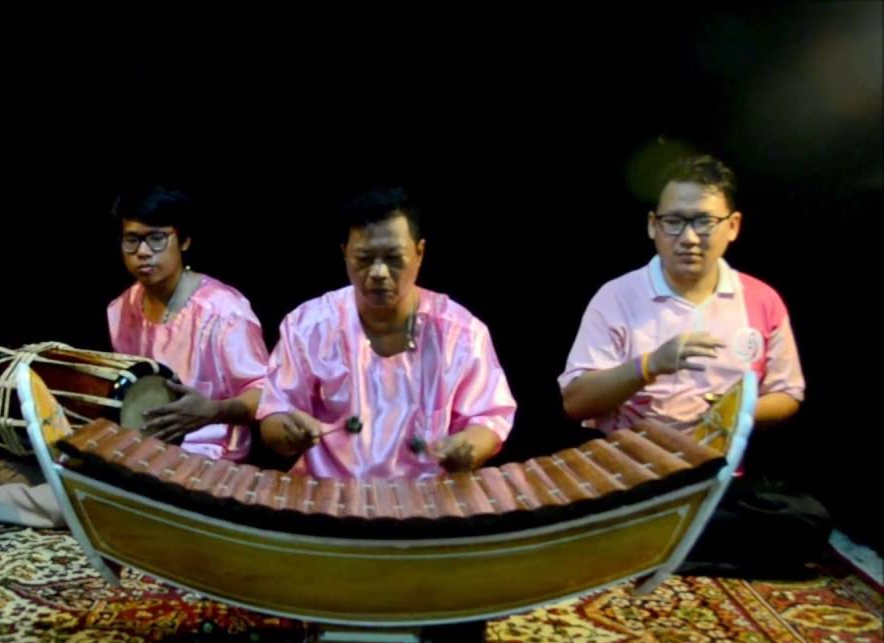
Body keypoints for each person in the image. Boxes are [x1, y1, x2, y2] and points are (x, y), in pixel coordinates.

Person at [558, 154, 829, 577]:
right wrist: (650, 364)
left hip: (716, 485)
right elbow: (576, 403)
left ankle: (645, 552)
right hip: (628, 479)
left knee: (806, 521)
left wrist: (734, 410)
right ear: (653, 226)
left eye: (704, 222)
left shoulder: (761, 300)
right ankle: (658, 546)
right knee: (573, 505)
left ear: (732, 226)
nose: (689, 237)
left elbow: (788, 394)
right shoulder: (616, 297)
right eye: (674, 222)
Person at [257, 187, 517, 480]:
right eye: (364, 258)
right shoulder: (306, 326)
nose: (379, 272)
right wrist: (286, 430)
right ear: (344, 254)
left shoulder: (462, 332)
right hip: (329, 501)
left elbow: (490, 419)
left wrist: (470, 445)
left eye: (393, 258)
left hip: (429, 504)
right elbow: (273, 416)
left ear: (419, 253)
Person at [107, 185, 269, 461]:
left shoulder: (224, 310)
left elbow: (266, 393)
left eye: (156, 238)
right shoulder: (120, 309)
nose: (143, 251)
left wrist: (212, 411)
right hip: (141, 453)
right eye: (131, 239)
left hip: (211, 460)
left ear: (184, 241)